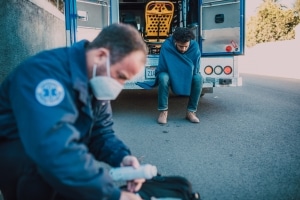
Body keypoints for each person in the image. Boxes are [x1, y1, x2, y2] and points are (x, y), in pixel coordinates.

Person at [0, 23, 147, 200]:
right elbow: (53, 147)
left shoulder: (97, 80)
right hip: (25, 165)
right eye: (121, 76)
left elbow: (100, 132)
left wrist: (122, 158)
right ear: (101, 56)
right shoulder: (44, 74)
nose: (120, 86)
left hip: (55, 165)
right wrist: (113, 194)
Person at [155, 27, 203, 124]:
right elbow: (163, 66)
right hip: (169, 72)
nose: (184, 49)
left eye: (186, 46)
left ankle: (191, 112)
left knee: (198, 78)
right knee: (163, 77)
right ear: (175, 41)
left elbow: (196, 68)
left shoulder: (194, 46)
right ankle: (163, 111)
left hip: (187, 73)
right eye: (181, 46)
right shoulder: (167, 45)